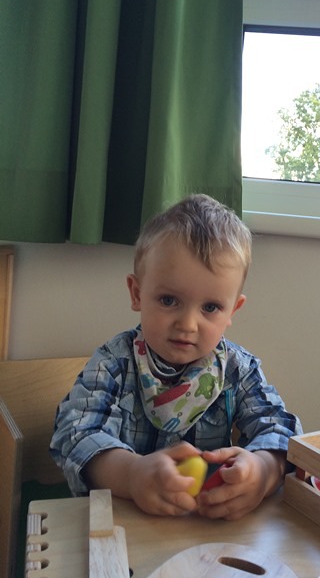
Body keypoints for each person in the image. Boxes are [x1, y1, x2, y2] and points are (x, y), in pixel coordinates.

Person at [50, 193, 302, 520]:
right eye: (169, 300)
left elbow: (281, 429)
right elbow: (75, 435)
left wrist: (264, 470)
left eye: (210, 307)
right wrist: (132, 475)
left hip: (205, 527)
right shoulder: (114, 364)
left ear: (232, 311)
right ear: (137, 293)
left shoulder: (237, 369)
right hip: (123, 525)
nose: (187, 324)